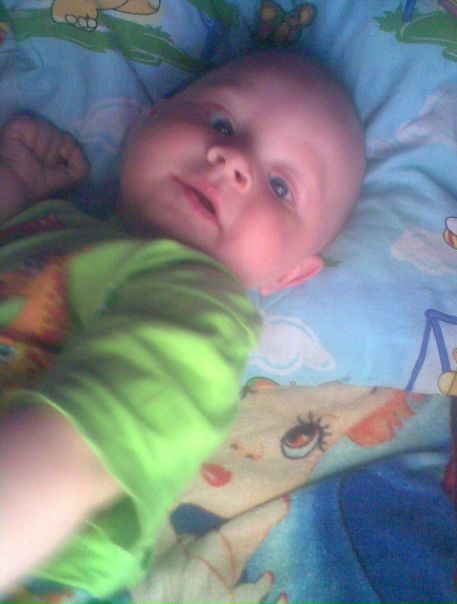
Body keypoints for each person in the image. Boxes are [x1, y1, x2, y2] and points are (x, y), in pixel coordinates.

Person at [0, 49, 365, 603]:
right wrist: (18, 187)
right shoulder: (55, 221)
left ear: (291, 273)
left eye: (281, 186)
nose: (234, 159)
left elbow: (78, 457)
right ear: (152, 117)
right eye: (222, 124)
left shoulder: (202, 310)